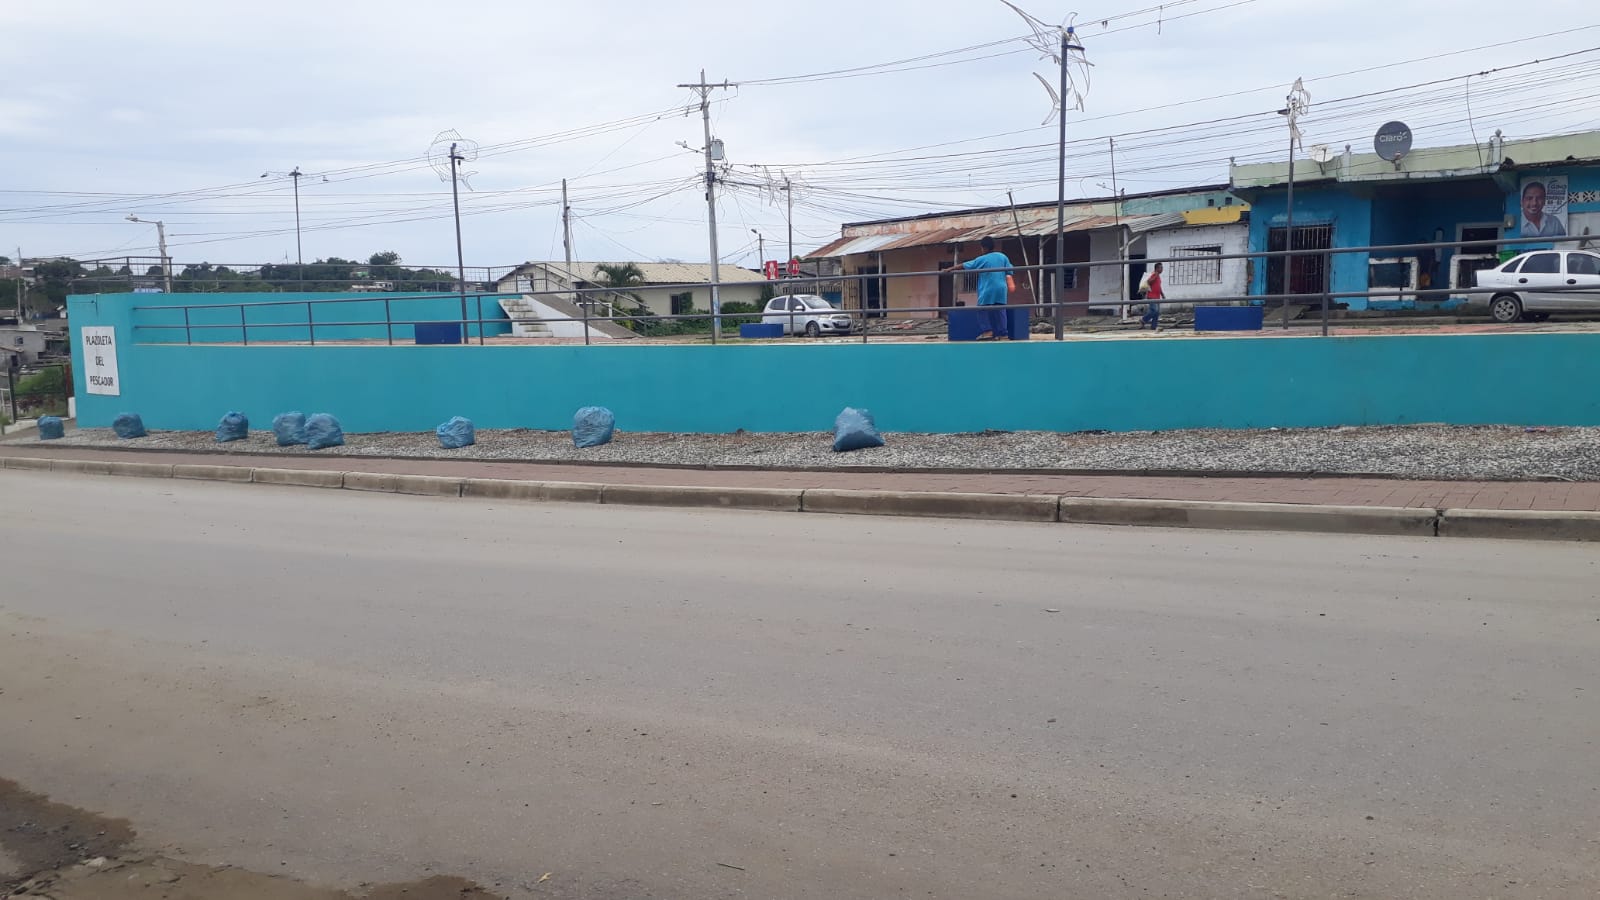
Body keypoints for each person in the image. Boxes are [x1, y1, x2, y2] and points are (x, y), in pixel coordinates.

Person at [959, 236, 1014, 341]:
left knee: (982, 309)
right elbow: (1010, 271)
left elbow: (965, 265)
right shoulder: (1002, 256)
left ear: (984, 248)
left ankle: (987, 331)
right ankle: (1003, 334)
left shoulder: (982, 258)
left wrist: (949, 269)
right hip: (1001, 288)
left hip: (988, 288)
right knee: (1000, 310)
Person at [1139, 262, 1165, 330]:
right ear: (1157, 268)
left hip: (1157, 296)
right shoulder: (1154, 274)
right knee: (1155, 310)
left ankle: (1154, 326)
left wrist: (1162, 294)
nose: (1162, 269)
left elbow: (1158, 286)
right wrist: (1155, 276)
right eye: (1161, 268)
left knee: (1156, 312)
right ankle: (1143, 320)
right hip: (1152, 296)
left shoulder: (1158, 276)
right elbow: (1149, 282)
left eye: (1162, 268)